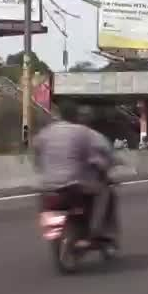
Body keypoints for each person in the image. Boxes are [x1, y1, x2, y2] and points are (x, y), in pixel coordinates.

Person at [33, 104, 119, 251]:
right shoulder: (84, 133)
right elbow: (99, 157)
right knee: (103, 192)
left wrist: (44, 167)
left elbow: (36, 151)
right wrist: (106, 167)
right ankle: (94, 233)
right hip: (73, 186)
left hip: (47, 187)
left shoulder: (46, 132)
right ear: (77, 116)